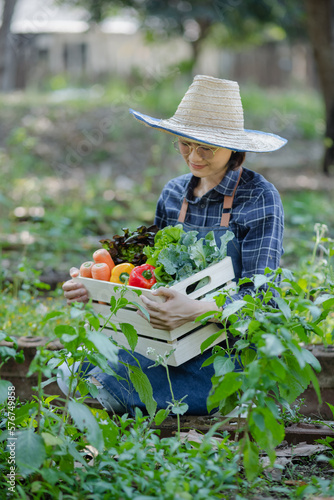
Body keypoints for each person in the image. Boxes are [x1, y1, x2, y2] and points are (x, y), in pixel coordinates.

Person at [60, 75, 287, 415]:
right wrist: (96, 288)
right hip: (166, 339)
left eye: (205, 147)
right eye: (184, 143)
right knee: (72, 368)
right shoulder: (173, 194)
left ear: (235, 148)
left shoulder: (259, 198)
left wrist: (196, 310)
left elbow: (263, 302)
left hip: (224, 348)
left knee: (110, 381)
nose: (193, 157)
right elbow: (149, 277)